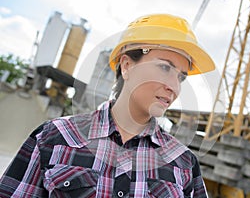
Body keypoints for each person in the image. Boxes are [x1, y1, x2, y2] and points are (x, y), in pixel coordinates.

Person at [0, 13, 215, 197]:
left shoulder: (184, 163)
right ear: (127, 65)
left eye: (181, 77)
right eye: (165, 68)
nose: (174, 87)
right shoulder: (54, 137)